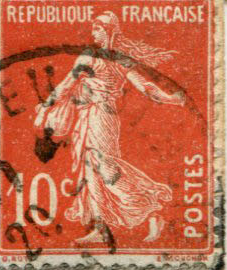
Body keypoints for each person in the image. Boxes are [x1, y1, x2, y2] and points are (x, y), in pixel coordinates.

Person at [34, 12, 186, 247]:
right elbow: (66, 85)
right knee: (89, 170)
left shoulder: (117, 58)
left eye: (98, 29)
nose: (94, 33)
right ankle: (100, 227)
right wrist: (47, 105)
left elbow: (144, 86)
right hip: (85, 116)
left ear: (110, 31)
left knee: (104, 166)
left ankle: (149, 206)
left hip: (102, 115)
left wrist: (171, 98)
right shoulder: (89, 56)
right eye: (93, 29)